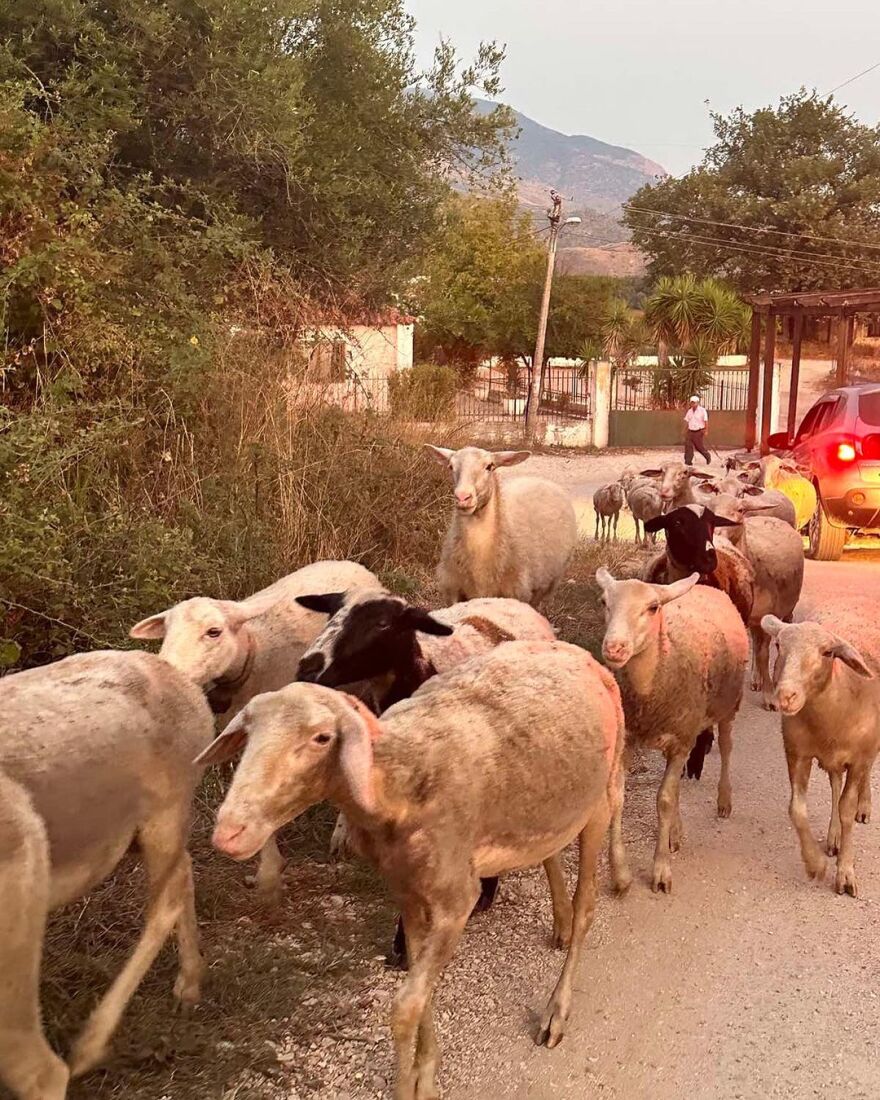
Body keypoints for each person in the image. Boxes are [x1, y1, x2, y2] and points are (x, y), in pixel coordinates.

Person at [684, 394, 711, 465]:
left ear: (697, 403)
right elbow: (687, 421)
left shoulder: (702, 410)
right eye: (691, 402)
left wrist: (706, 430)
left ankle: (707, 456)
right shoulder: (689, 411)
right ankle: (688, 461)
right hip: (690, 431)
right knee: (688, 446)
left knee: (699, 447)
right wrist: (685, 430)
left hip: (699, 431)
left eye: (694, 402)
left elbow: (706, 421)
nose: (692, 404)